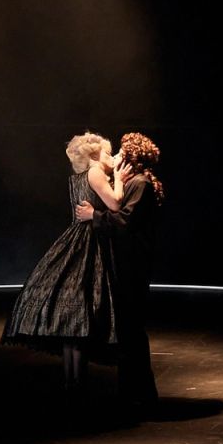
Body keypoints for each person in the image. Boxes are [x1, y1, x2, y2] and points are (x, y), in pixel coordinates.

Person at [1, 132, 134, 402]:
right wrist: (119, 179)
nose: (112, 157)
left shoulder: (76, 178)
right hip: (88, 244)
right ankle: (76, 387)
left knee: (73, 325)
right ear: (94, 155)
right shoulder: (95, 172)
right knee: (80, 317)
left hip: (75, 240)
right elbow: (115, 203)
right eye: (108, 153)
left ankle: (71, 384)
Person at [75, 131, 163, 417]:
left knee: (132, 331)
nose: (115, 157)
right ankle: (131, 394)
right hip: (127, 264)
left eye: (121, 153)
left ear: (132, 158)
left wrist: (94, 216)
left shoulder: (141, 184)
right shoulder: (134, 182)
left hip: (132, 266)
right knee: (128, 331)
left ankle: (142, 396)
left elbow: (125, 222)